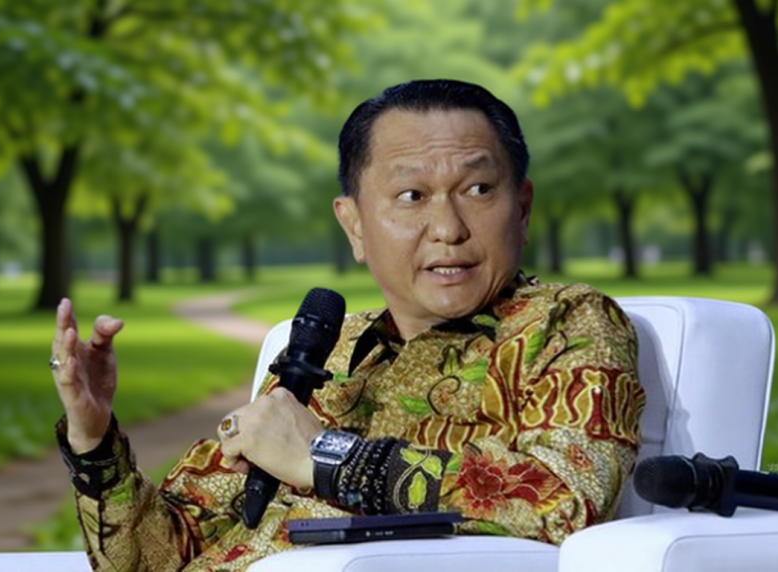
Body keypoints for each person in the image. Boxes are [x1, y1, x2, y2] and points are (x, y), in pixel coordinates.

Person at [50, 79, 646, 571]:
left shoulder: (566, 322)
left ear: (523, 206)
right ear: (355, 225)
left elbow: (566, 497)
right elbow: (154, 558)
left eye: (478, 188)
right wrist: (94, 440)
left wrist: (326, 456)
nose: (449, 228)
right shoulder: (324, 350)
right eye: (412, 195)